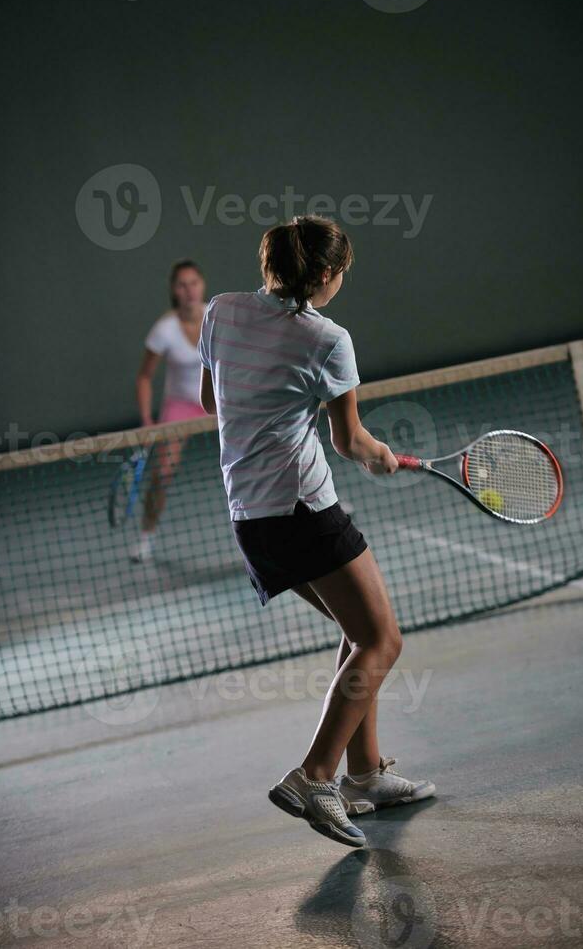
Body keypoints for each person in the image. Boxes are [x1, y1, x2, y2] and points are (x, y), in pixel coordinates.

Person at [199, 215, 435, 848]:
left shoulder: (220, 311)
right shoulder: (329, 338)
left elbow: (210, 400)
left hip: (250, 518)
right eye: (342, 272)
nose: (342, 282)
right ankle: (315, 775)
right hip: (305, 511)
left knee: (355, 632)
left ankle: (365, 775)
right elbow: (348, 440)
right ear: (326, 274)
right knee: (383, 639)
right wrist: (381, 455)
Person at [131, 260, 208, 563]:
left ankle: (314, 505)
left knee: (266, 454)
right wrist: (148, 420)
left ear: (202, 285)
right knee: (161, 475)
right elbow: (144, 377)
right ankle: (145, 539)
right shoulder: (164, 329)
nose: (189, 290)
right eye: (182, 284)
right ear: (174, 291)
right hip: (180, 407)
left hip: (216, 402)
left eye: (194, 283)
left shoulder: (215, 317)